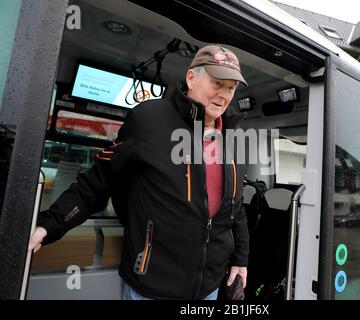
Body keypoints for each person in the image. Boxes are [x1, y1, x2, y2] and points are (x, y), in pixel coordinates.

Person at [28, 44, 250, 300]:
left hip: (208, 289)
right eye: (216, 83)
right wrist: (50, 224)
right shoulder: (149, 119)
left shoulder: (234, 139)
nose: (224, 95)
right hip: (150, 285)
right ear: (191, 77)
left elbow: (236, 209)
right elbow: (98, 182)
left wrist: (240, 260)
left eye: (231, 88)